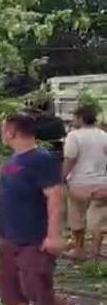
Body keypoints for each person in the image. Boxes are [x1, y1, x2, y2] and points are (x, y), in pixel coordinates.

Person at [0, 111, 87, 305]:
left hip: (34, 240)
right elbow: (6, 196)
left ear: (11, 131)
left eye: (3, 128)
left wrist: (54, 235)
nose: (2, 132)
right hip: (9, 237)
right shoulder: (12, 161)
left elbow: (56, 197)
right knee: (12, 294)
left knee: (38, 293)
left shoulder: (42, 159)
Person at [62, 105, 107, 260]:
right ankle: (96, 251)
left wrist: (62, 177)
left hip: (79, 184)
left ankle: (79, 250)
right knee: (98, 217)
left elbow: (71, 158)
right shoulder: (103, 135)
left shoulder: (74, 136)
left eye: (74, 117)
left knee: (76, 216)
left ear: (80, 118)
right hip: (102, 184)